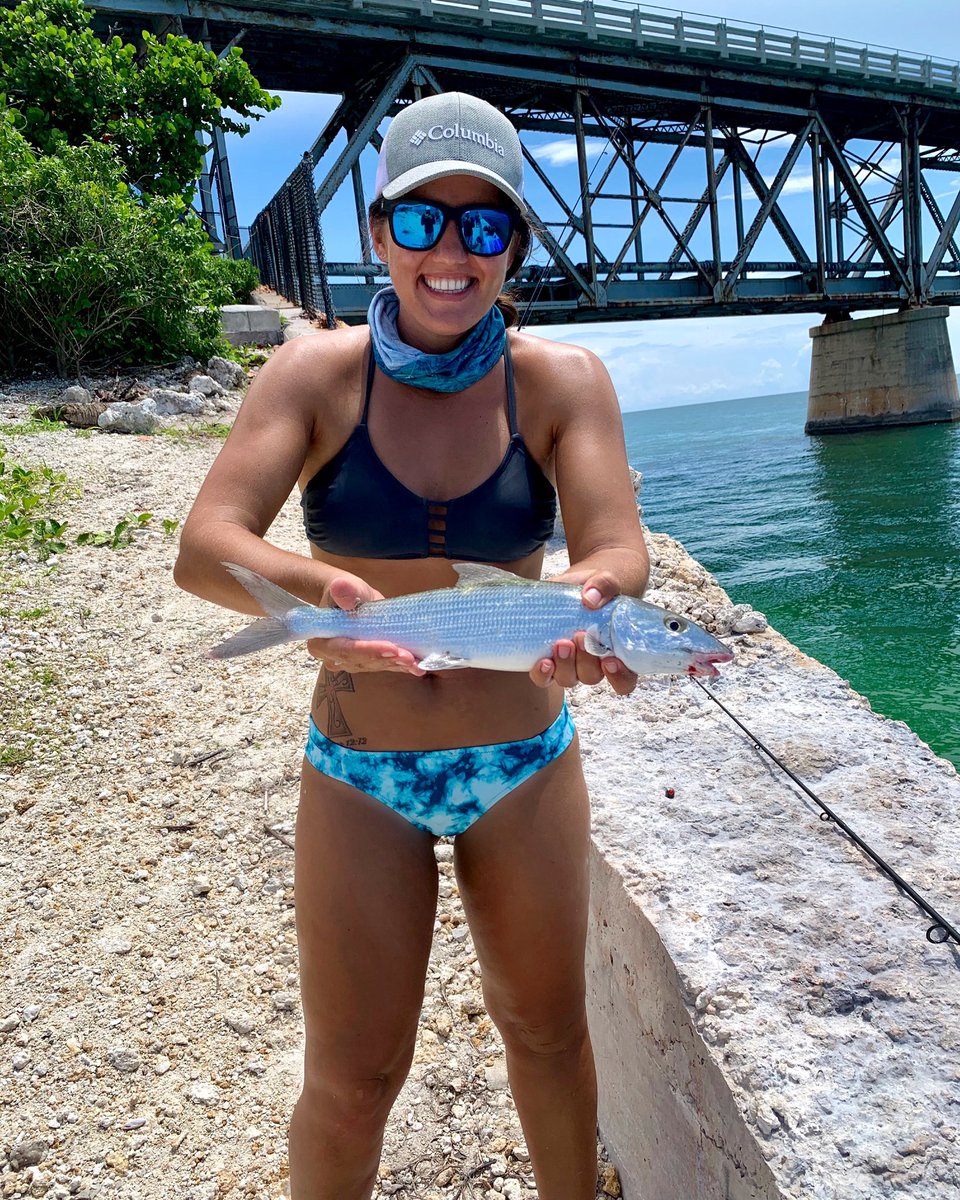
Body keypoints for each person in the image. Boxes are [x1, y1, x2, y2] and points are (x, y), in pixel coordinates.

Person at [175, 91, 649, 1200]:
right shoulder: (312, 375)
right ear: (378, 232)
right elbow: (206, 545)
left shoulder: (560, 382)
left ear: (514, 245)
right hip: (359, 775)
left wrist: (591, 598)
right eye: (424, 221)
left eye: (485, 227)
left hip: (521, 766)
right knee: (352, 1075)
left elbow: (617, 543)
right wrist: (316, 595)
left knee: (546, 1034)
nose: (453, 252)